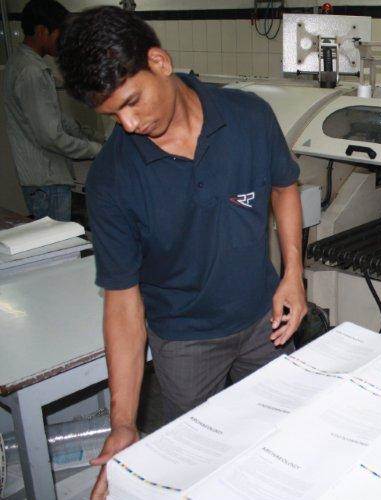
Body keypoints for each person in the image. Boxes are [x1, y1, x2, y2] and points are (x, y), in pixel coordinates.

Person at [57, 6, 308, 498]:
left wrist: (293, 273)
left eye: (132, 101)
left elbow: (284, 187)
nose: (128, 125)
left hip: (265, 324)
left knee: (290, 440)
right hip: (185, 345)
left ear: (160, 62)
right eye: (112, 115)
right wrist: (124, 422)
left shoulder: (248, 116)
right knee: (198, 470)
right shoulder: (112, 180)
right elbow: (123, 302)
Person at [3, 0, 102, 221]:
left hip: (43, 180)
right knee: (58, 250)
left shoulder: (20, 63)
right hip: (47, 182)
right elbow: (51, 136)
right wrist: (95, 149)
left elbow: (51, 117)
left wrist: (83, 133)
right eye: (60, 34)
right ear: (41, 31)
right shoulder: (32, 72)